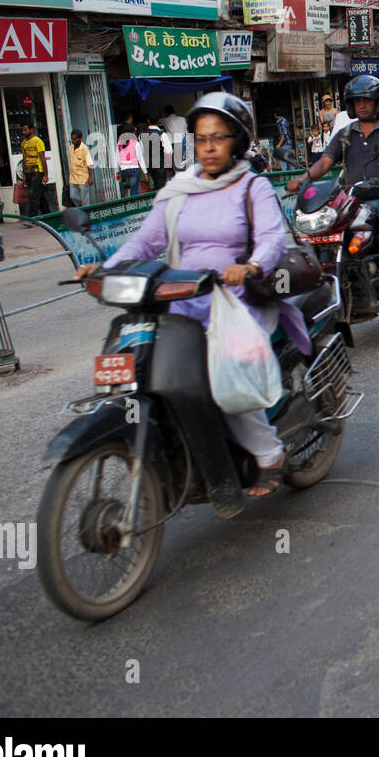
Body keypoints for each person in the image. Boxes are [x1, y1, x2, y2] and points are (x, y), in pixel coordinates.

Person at [77, 93, 306, 499]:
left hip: (236, 302)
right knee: (138, 366)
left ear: (236, 141)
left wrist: (250, 265)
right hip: (180, 301)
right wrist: (106, 269)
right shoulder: (180, 189)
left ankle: (269, 454)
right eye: (201, 139)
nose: (209, 147)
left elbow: (272, 239)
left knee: (224, 376)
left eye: (219, 138)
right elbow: (145, 242)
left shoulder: (252, 188)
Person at [284, 74, 379, 304]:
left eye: (367, 100)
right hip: (356, 197)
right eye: (358, 101)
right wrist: (302, 178)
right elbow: (324, 163)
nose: (362, 105)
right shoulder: (345, 135)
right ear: (351, 105)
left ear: (378, 102)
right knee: (329, 229)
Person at [19, 122, 50, 217]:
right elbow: (24, 159)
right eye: (23, 130)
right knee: (40, 196)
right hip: (29, 173)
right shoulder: (23, 143)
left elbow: (43, 158)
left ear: (31, 129)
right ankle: (48, 215)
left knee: (33, 195)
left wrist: (45, 175)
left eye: (25, 130)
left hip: (38, 172)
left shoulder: (38, 141)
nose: (23, 132)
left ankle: (31, 218)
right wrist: (24, 175)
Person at [116, 123, 146, 197]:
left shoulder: (119, 143)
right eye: (134, 131)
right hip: (134, 170)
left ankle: (129, 205)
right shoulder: (136, 143)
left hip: (124, 171)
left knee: (128, 189)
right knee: (135, 191)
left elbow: (116, 158)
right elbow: (140, 159)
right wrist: (145, 172)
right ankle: (135, 206)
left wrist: (117, 172)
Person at [144, 113, 172, 189]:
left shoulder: (142, 135)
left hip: (149, 165)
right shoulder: (162, 134)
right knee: (161, 187)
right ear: (159, 120)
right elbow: (168, 151)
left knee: (155, 186)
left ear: (148, 121)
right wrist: (168, 167)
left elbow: (141, 152)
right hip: (160, 164)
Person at [68, 130, 95, 206]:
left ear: (80, 138)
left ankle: (87, 212)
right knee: (72, 196)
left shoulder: (85, 149)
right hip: (73, 178)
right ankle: (82, 209)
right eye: (72, 139)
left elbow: (90, 164)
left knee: (85, 200)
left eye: (75, 139)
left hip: (83, 179)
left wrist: (90, 178)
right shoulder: (71, 146)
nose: (73, 141)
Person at [161, 105, 189, 171]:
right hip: (185, 141)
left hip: (176, 143)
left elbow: (157, 121)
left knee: (178, 164)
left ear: (166, 113)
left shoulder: (165, 120)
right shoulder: (183, 119)